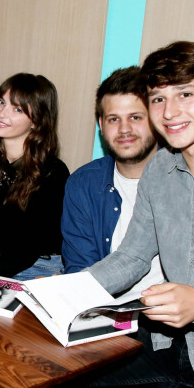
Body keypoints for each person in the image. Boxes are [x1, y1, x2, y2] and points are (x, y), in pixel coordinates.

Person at [76, 42, 194, 388]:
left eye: (186, 94)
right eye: (158, 98)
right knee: (52, 382)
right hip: (167, 343)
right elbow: (130, 258)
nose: (170, 112)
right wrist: (67, 292)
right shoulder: (159, 171)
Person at [61, 66, 164, 295]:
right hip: (103, 312)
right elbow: (79, 266)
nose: (124, 129)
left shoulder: (184, 179)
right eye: (113, 119)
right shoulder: (84, 183)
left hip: (167, 323)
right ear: (101, 125)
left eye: (135, 117)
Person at [0, 73, 70, 279]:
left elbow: (26, 252)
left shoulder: (53, 172)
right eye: (1, 102)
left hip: (37, 267)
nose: (2, 113)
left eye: (17, 109)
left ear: (36, 121)